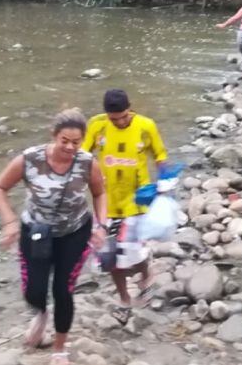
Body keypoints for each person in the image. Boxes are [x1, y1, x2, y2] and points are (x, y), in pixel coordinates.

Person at [0, 109, 107, 365]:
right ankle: (40, 313)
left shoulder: (87, 163)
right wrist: (10, 222)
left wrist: (101, 226)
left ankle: (59, 347)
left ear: (82, 141)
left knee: (63, 290)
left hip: (74, 232)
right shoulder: (30, 159)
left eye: (75, 142)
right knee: (34, 290)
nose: (69, 147)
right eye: (64, 140)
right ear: (54, 136)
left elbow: (99, 193)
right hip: (36, 231)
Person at [82, 89, 168, 325]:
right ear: (106, 114)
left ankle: (146, 274)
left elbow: (159, 155)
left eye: (123, 117)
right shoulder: (97, 126)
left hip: (136, 201)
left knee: (132, 251)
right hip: (107, 202)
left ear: (131, 108)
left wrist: (166, 181)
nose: (119, 122)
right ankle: (124, 299)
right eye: (114, 118)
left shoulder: (146, 126)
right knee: (109, 256)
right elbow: (83, 153)